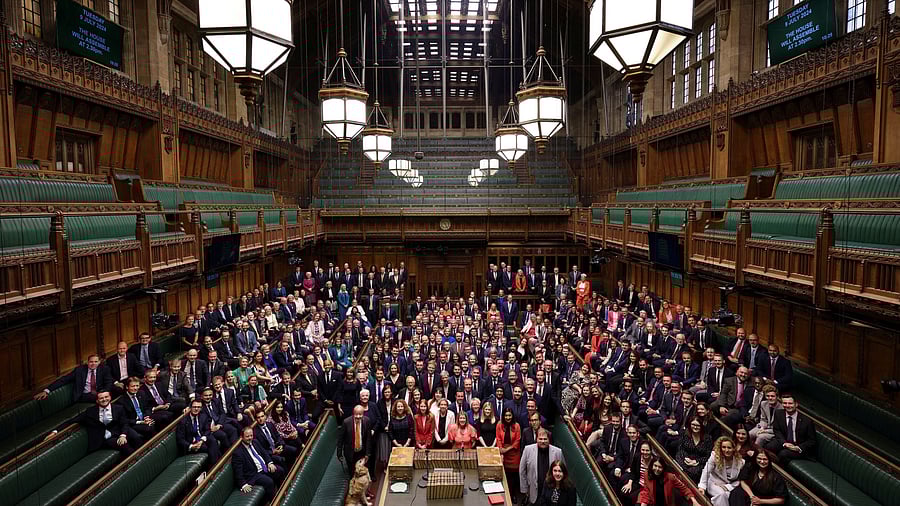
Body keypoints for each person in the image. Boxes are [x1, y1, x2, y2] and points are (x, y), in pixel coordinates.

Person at [49, 390, 142, 456]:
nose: (104, 399)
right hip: (105, 437)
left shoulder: (118, 408)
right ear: (97, 400)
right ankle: (136, 460)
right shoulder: (90, 412)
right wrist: (55, 431)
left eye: (106, 397)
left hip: (119, 430)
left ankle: (141, 454)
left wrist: (123, 435)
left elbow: (124, 423)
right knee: (124, 445)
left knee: (136, 437)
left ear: (110, 397)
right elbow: (72, 420)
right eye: (101, 398)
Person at [34, 354, 113, 403]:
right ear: (87, 362)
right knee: (102, 399)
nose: (93, 364)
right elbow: (63, 380)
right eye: (91, 362)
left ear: (99, 362)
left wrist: (105, 392)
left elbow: (108, 382)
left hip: (99, 393)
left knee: (114, 391)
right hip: (83, 396)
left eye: (95, 362)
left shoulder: (104, 369)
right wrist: (47, 391)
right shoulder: (79, 370)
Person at [233, 426, 283, 502]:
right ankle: (274, 502)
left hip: (264, 468)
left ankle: (282, 495)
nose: (250, 438)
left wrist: (269, 463)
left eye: (251, 435)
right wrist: (243, 484)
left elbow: (264, 453)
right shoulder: (238, 453)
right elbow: (238, 472)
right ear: (242, 437)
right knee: (269, 482)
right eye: (247, 436)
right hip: (254, 475)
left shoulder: (255, 442)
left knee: (280, 470)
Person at [763, 394, 815, 464]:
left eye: (790, 403)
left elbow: (812, 440)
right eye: (785, 403)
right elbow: (777, 430)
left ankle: (779, 472)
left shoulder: (807, 421)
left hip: (798, 447)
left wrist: (798, 447)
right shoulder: (779, 413)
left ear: (796, 404)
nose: (787, 405)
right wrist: (784, 443)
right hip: (785, 442)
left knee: (783, 454)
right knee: (768, 447)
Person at [519, 429, 563, 506]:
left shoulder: (557, 452)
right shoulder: (528, 450)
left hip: (551, 491)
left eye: (545, 439)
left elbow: (563, 471)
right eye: (540, 439)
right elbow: (522, 470)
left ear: (549, 440)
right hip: (534, 490)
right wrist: (524, 489)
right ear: (537, 439)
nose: (543, 441)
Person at [699, 437, 744, 506]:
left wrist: (727, 487)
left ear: (734, 449)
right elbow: (706, 471)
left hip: (729, 486)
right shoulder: (714, 456)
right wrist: (702, 486)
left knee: (727, 495)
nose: (726, 450)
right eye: (723, 447)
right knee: (722, 495)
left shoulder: (741, 462)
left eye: (729, 448)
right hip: (713, 483)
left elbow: (740, 480)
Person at [176, 399, 222, 465]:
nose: (196, 409)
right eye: (194, 407)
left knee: (213, 441)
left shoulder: (203, 416)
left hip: (201, 440)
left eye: (198, 407)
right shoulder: (183, 421)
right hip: (191, 444)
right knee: (211, 448)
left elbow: (207, 430)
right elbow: (180, 440)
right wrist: (191, 446)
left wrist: (201, 440)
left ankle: (215, 467)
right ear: (190, 408)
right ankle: (216, 468)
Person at [339, 405, 375, 477]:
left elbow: (368, 438)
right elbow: (341, 439)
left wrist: (367, 454)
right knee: (352, 473)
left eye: (360, 414)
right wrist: (339, 453)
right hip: (350, 452)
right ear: (353, 413)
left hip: (362, 451)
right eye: (356, 414)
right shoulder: (346, 422)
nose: (358, 416)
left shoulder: (367, 420)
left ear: (363, 414)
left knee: (363, 472)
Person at [497, 408, 522, 499]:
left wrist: (506, 450)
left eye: (509, 415)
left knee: (513, 476)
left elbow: (517, 441)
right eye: (506, 415)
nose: (508, 417)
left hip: (514, 453)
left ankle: (513, 494)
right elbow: (498, 438)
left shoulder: (517, 426)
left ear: (512, 416)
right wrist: (500, 449)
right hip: (503, 452)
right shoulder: (499, 425)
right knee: (505, 475)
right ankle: (505, 495)